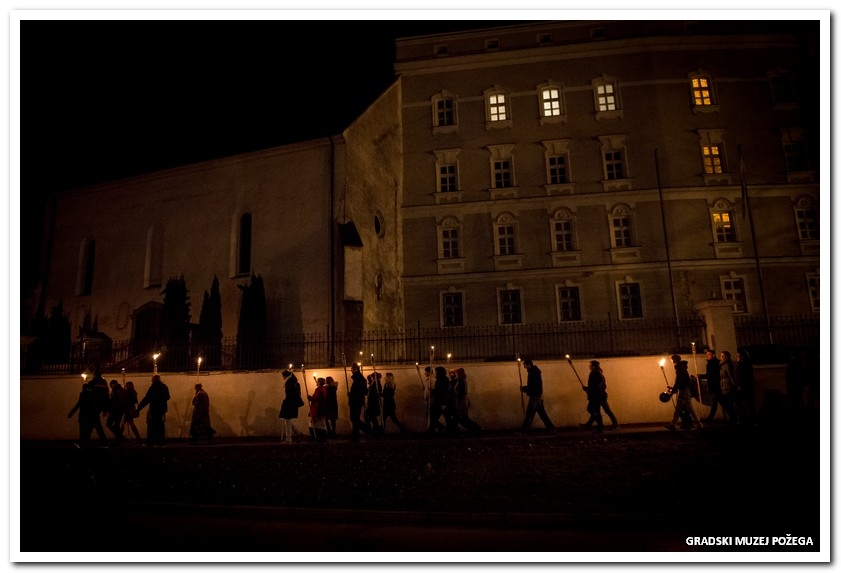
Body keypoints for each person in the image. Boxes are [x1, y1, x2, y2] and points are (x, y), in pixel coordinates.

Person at [519, 359, 556, 434]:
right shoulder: (535, 372)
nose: (524, 367)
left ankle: (525, 430)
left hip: (534, 396)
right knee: (541, 413)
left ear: (529, 365)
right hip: (537, 395)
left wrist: (524, 389)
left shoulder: (533, 373)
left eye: (525, 365)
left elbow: (533, 385)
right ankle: (551, 428)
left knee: (529, 413)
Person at [664, 360, 703, 431]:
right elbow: (679, 382)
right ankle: (673, 424)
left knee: (689, 407)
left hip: (685, 390)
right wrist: (673, 389)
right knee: (678, 407)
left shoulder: (680, 369)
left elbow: (679, 381)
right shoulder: (681, 368)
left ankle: (699, 424)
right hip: (682, 390)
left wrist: (673, 390)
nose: (672, 362)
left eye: (672, 360)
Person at [137, 374, 171, 447]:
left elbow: (147, 398)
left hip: (155, 408)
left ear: (154, 380)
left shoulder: (153, 387)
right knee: (160, 425)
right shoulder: (164, 387)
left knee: (151, 425)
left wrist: (139, 407)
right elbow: (168, 397)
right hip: (162, 408)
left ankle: (150, 441)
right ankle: (161, 441)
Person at [67, 383, 100, 448]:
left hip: (83, 415)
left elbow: (78, 404)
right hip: (90, 415)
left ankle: (83, 443)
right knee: (88, 430)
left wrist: (71, 413)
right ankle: (86, 443)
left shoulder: (83, 394)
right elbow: (95, 405)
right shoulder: (92, 394)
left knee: (82, 431)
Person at [452, 367, 482, 435]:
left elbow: (461, 392)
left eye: (456, 373)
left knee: (463, 418)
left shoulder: (461, 381)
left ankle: (475, 428)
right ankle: (474, 428)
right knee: (463, 418)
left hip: (461, 401)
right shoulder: (461, 380)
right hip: (461, 401)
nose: (455, 374)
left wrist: (457, 397)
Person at [278, 369, 304, 444]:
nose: (283, 378)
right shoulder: (294, 383)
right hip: (291, 403)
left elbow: (290, 395)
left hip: (289, 403)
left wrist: (286, 402)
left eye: (283, 376)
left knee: (287, 419)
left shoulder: (289, 383)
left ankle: (289, 439)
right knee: (287, 419)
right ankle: (297, 433)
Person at [579, 360, 606, 433]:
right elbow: (594, 385)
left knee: (592, 410)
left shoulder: (596, 373)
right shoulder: (596, 373)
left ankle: (600, 427)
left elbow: (596, 385)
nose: (589, 366)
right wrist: (587, 388)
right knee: (594, 410)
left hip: (595, 395)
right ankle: (596, 425)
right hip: (596, 395)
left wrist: (589, 389)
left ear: (593, 366)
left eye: (590, 365)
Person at [347, 362, 369, 442]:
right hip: (356, 401)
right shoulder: (358, 378)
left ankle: (367, 430)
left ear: (355, 369)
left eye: (351, 369)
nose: (351, 371)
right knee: (354, 419)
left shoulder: (358, 378)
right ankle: (355, 436)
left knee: (354, 418)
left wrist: (352, 394)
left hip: (356, 402)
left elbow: (362, 391)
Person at [735, 348, 756, 424]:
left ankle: (752, 419)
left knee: (749, 403)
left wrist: (741, 385)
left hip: (745, 388)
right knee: (741, 402)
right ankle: (745, 418)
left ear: (742, 357)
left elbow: (745, 377)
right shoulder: (740, 365)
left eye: (738, 356)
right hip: (741, 387)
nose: (737, 357)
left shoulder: (746, 365)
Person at [701, 349, 722, 424]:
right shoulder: (710, 363)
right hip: (714, 386)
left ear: (713, 355)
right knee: (721, 402)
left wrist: (700, 376)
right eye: (706, 355)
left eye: (709, 355)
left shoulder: (715, 363)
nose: (707, 356)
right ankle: (734, 415)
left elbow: (711, 375)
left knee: (715, 403)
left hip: (716, 386)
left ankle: (709, 419)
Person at [718, 350, 740, 425]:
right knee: (726, 402)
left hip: (728, 387)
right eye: (721, 356)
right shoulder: (722, 365)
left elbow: (731, 376)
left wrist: (733, 385)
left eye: (723, 356)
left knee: (728, 403)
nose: (721, 357)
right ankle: (733, 416)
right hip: (724, 386)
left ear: (727, 357)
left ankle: (734, 417)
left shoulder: (728, 365)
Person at [427, 366, 450, 435]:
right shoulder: (442, 379)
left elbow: (442, 392)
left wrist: (433, 391)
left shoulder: (441, 380)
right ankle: (434, 430)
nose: (435, 373)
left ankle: (432, 431)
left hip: (440, 402)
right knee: (441, 417)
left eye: (436, 372)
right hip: (440, 401)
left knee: (434, 417)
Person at [105, 379, 127, 446]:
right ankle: (119, 437)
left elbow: (113, 402)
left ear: (113, 384)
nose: (110, 387)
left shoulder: (115, 390)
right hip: (121, 411)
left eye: (110, 385)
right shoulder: (123, 390)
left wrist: (110, 411)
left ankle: (119, 437)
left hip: (115, 411)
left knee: (109, 424)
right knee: (116, 424)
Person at [307, 377, 329, 442]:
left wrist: (311, 398)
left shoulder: (319, 389)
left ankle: (315, 436)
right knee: (321, 423)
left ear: (319, 382)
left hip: (318, 408)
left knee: (313, 422)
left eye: (317, 381)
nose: (316, 382)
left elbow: (319, 399)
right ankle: (321, 436)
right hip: (322, 408)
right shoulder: (324, 389)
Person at [364, 372, 384, 438]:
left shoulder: (377, 385)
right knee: (369, 418)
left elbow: (377, 393)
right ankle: (375, 431)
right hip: (371, 404)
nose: (371, 378)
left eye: (372, 377)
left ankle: (375, 431)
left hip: (374, 404)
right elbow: (367, 392)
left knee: (372, 418)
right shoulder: (372, 384)